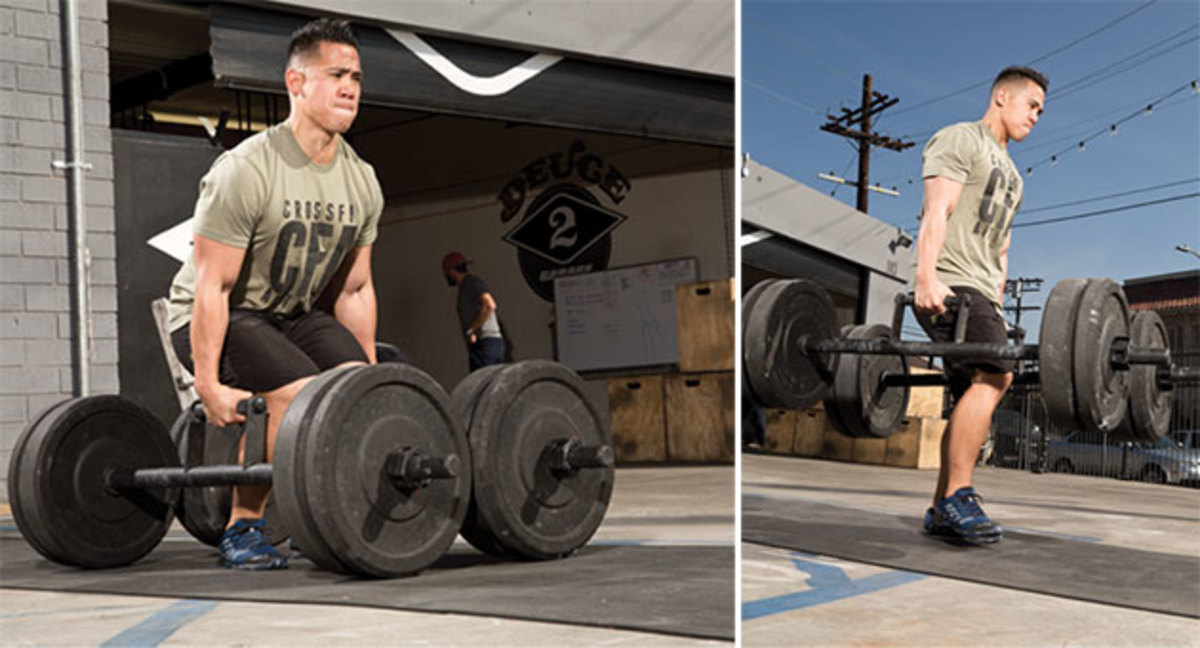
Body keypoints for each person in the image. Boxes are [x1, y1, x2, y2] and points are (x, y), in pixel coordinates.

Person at [164, 17, 383, 569]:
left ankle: (328, 514)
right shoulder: (245, 169)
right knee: (298, 394)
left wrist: (372, 381)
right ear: (296, 83)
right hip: (216, 314)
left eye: (355, 76)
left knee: (352, 390)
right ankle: (244, 528)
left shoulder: (362, 181)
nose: (350, 87)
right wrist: (208, 386)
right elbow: (214, 285)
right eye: (336, 74)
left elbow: (354, 288)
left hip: (289, 314)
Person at [912, 66, 1046, 545]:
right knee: (997, 374)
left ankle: (938, 507)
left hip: (982, 293)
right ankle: (959, 494)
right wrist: (927, 277)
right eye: (1031, 105)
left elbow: (1001, 248)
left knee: (973, 389)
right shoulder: (959, 139)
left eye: (1040, 111)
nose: (1036, 117)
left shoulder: (1013, 174)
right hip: (950, 286)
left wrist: (1000, 307)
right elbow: (937, 210)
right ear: (1001, 97)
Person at [441, 252, 505, 371]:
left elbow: (489, 305)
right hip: (481, 345)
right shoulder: (464, 287)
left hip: (486, 343)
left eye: (446, 272)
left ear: (451, 270)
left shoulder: (471, 282)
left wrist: (471, 330)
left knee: (483, 385)